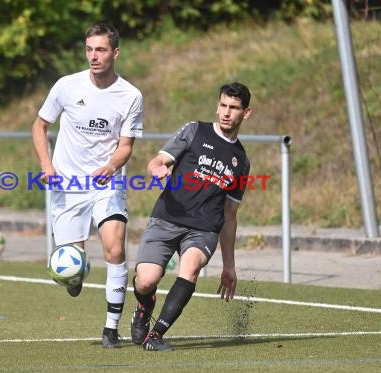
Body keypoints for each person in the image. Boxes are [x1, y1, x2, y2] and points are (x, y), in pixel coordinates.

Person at [31, 22, 143, 348]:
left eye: (101, 50)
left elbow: (126, 146)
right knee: (71, 268)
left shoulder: (130, 96)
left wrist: (110, 166)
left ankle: (111, 328)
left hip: (106, 184)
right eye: (89, 49)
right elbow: (39, 126)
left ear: (115, 53)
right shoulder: (66, 86)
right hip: (67, 186)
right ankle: (76, 274)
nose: (93, 56)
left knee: (115, 247)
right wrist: (46, 165)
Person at [130, 82, 252, 351]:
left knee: (191, 269)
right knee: (146, 280)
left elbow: (230, 216)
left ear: (246, 113)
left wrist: (229, 266)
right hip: (167, 217)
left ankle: (156, 335)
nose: (226, 112)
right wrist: (157, 168)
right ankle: (144, 303)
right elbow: (157, 161)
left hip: (203, 228)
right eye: (223, 105)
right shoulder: (195, 130)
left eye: (233, 108)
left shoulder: (241, 161)